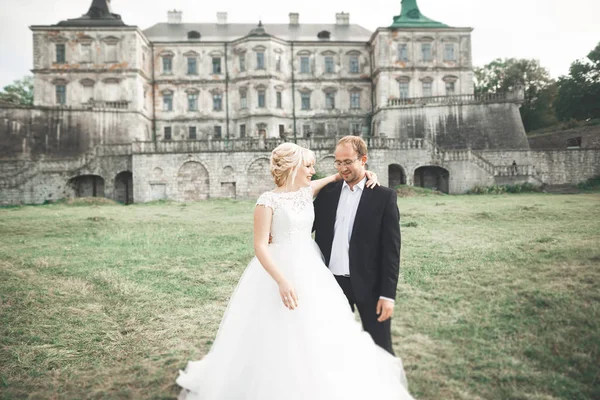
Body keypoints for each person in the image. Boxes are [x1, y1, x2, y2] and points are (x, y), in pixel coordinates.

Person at [176, 143, 413, 400]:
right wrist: (282, 281)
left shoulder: (306, 192)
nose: (312, 170)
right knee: (275, 330)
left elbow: (337, 177)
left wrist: (366, 173)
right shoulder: (267, 201)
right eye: (308, 166)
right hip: (279, 270)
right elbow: (259, 246)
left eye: (313, 166)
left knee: (321, 329)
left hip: (312, 270)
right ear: (293, 167)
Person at [313, 136, 400, 355]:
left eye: (348, 162)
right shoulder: (327, 194)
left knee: (381, 347)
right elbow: (304, 222)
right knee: (334, 347)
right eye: (338, 162)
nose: (343, 168)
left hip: (370, 286)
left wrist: (387, 295)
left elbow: (391, 251)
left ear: (363, 160)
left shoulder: (384, 197)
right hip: (331, 284)